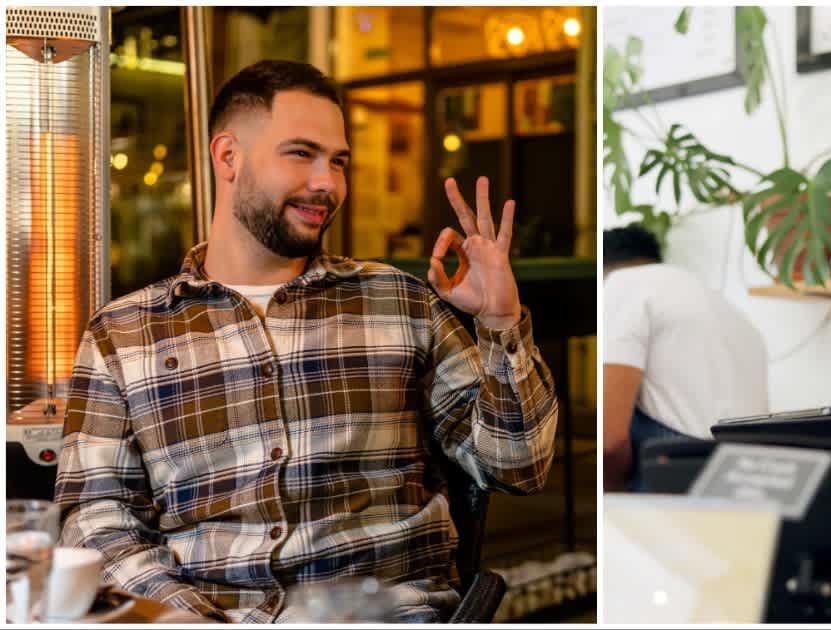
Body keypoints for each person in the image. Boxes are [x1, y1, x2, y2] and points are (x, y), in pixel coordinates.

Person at [53, 60, 558, 623]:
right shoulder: (124, 332)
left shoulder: (399, 300)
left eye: (338, 161)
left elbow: (520, 466)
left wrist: (500, 321)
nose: (328, 183)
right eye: (302, 153)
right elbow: (97, 523)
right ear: (228, 157)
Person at [602, 225, 768, 491]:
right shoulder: (729, 310)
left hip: (680, 481)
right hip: (748, 481)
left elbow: (608, 440)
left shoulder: (621, 284)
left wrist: (614, 493)